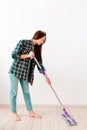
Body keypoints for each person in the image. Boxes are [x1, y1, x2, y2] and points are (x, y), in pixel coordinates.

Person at [9, 30, 51, 121]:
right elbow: (13, 55)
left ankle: (30, 112)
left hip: (25, 74)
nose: (42, 42)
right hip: (15, 71)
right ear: (37, 36)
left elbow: (40, 65)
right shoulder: (23, 42)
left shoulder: (37, 49)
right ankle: (14, 113)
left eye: (44, 41)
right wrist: (28, 55)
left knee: (27, 93)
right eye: (42, 39)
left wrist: (46, 77)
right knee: (14, 93)